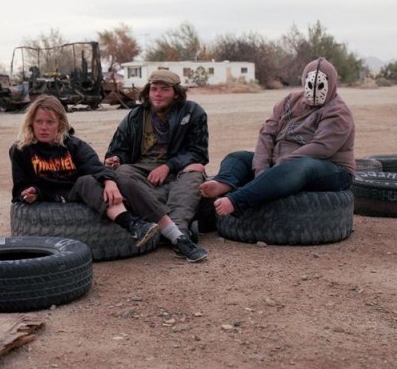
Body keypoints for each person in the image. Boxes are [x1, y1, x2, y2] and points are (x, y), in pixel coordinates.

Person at [201, 57, 355, 217]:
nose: (315, 90)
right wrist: (261, 170)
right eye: (310, 85)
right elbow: (267, 133)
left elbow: (321, 148)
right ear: (304, 81)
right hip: (282, 164)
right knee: (238, 157)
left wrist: (281, 165)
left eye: (321, 86)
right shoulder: (289, 101)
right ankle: (224, 182)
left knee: (302, 167)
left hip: (331, 169)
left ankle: (237, 200)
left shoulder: (338, 112)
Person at [9, 94, 160, 247]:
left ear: (60, 124)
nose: (44, 127)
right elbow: (19, 186)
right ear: (31, 123)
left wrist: (109, 183)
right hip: (48, 195)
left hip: (76, 191)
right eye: (39, 122)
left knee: (100, 180)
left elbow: (94, 166)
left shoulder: (73, 145)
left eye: (50, 122)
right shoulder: (20, 150)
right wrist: (29, 194)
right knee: (86, 181)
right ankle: (131, 223)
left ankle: (150, 229)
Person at [105, 70, 209, 263]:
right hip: (143, 172)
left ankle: (177, 230)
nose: (157, 94)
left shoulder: (193, 112)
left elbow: (199, 153)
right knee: (121, 173)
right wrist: (116, 158)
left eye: (164, 89)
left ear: (176, 93)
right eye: (154, 89)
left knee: (196, 170)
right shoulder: (135, 117)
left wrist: (169, 166)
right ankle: (175, 227)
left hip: (178, 171)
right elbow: (118, 149)